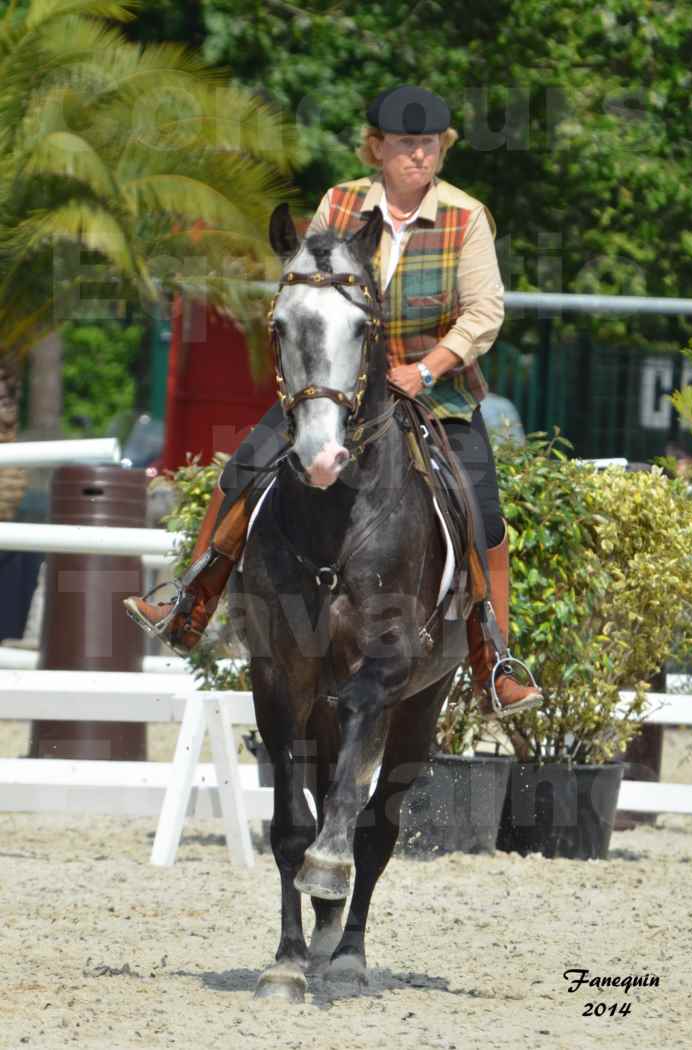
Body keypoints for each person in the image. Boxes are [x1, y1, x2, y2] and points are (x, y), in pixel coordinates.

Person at [125, 84, 542, 718]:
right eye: (405, 145)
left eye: (429, 146)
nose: (419, 157)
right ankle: (190, 600)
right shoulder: (339, 204)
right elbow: (305, 285)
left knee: (484, 516)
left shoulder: (467, 217)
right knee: (242, 469)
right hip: (337, 390)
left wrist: (426, 370)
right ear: (376, 148)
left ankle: (495, 658)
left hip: (439, 397)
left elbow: (484, 312)